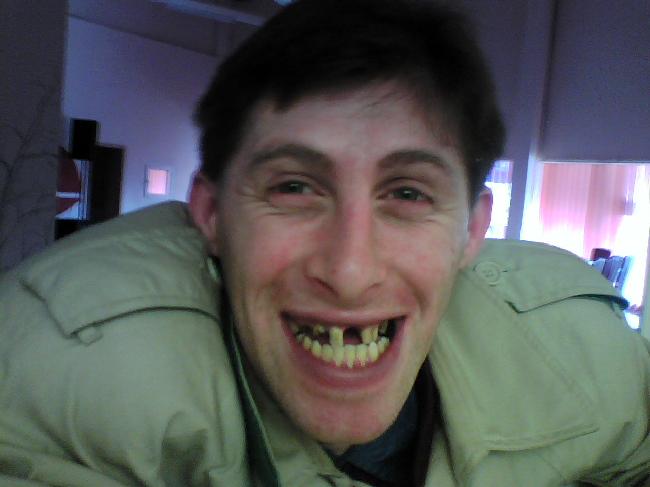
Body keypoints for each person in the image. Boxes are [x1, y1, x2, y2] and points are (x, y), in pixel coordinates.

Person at [1, 0, 649, 485]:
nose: (349, 270)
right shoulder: (53, 384)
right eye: (293, 187)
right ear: (213, 215)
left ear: (471, 231)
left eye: (408, 193)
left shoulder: (589, 356)